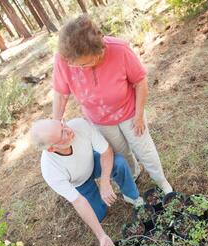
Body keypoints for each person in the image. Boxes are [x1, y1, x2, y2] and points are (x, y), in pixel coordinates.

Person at [52, 15, 173, 194]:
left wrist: (139, 115)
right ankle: (133, 176)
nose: (81, 69)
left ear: (99, 50)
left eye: (85, 64)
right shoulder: (65, 59)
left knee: (144, 149)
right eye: (77, 66)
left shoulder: (119, 50)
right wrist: (56, 122)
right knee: (121, 152)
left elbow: (140, 82)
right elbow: (61, 94)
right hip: (100, 119)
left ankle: (162, 182)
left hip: (130, 112)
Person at [30, 118, 144, 246]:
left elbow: (106, 151)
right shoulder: (50, 170)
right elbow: (78, 201)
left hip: (93, 163)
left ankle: (132, 195)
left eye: (62, 124)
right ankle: (95, 196)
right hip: (80, 184)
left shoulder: (79, 125)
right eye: (62, 134)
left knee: (119, 163)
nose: (68, 129)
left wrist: (104, 181)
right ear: (52, 148)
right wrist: (102, 236)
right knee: (98, 215)